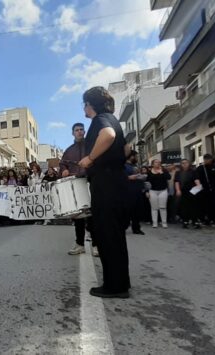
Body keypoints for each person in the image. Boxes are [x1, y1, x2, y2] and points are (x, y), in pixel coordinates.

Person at [77, 86, 131, 299]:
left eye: (85, 103)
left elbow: (108, 136)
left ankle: (115, 286)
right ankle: (120, 282)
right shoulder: (113, 118)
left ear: (90, 104)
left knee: (107, 234)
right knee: (115, 236)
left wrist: (91, 159)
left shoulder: (100, 120)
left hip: (106, 184)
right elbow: (126, 149)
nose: (84, 107)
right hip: (116, 180)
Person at [60, 122, 96, 256]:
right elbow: (62, 164)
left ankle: (96, 245)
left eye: (81, 129)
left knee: (92, 217)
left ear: (84, 132)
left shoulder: (92, 147)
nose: (80, 132)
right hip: (75, 185)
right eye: (77, 130)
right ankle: (80, 244)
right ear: (73, 133)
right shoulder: (69, 150)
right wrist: (63, 170)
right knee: (78, 217)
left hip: (90, 182)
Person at [175, 159, 202, 229]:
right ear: (181, 164)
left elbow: (197, 180)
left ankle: (195, 221)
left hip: (192, 191)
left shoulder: (193, 171)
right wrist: (178, 190)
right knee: (184, 207)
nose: (184, 164)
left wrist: (199, 186)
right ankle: (185, 221)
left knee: (194, 207)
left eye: (186, 163)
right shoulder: (178, 173)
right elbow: (177, 182)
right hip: (183, 191)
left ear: (189, 163)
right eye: (183, 163)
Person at [125, 151, 146, 235]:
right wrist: (129, 177)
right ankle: (124, 226)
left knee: (137, 211)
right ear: (131, 157)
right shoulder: (124, 166)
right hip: (128, 192)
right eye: (136, 156)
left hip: (138, 191)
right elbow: (120, 178)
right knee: (128, 211)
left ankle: (136, 228)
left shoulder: (135, 166)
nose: (137, 158)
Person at [196, 154, 215, 225]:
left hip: (214, 189)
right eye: (205, 159)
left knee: (213, 204)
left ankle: (212, 219)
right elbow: (196, 178)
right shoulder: (200, 168)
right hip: (204, 189)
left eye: (208, 159)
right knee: (204, 204)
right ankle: (203, 218)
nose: (207, 160)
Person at [147, 159, 171, 228]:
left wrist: (161, 172)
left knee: (163, 207)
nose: (158, 163)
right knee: (154, 207)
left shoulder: (164, 170)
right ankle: (155, 223)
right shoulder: (149, 172)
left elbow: (169, 177)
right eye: (156, 162)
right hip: (152, 191)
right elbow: (147, 182)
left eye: (159, 162)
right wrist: (147, 191)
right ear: (153, 164)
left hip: (163, 190)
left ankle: (164, 223)